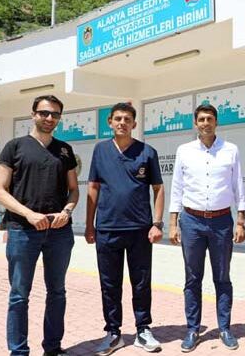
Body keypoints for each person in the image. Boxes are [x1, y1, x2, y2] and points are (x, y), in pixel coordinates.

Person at [0, 95, 79, 356]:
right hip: (23, 231)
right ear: (33, 114)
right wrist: (29, 214)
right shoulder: (15, 147)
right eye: (44, 113)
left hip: (58, 233)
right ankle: (19, 351)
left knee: (57, 292)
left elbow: (74, 191)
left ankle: (52, 348)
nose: (49, 118)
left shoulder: (64, 150)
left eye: (54, 114)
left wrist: (67, 210)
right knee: (19, 295)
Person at [85, 103, 165, 355]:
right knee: (109, 284)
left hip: (140, 230)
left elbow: (158, 188)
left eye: (127, 119)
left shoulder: (147, 152)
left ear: (134, 123)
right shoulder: (100, 151)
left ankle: (143, 329)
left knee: (141, 282)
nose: (122, 122)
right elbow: (93, 187)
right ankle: (113, 333)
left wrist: (157, 223)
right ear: (110, 122)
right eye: (117, 118)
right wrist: (89, 225)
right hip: (107, 229)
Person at [168, 104, 245, 352]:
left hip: (222, 222)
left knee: (222, 277)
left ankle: (224, 328)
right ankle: (193, 329)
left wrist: (241, 220)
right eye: (201, 119)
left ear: (216, 122)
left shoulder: (230, 150)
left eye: (209, 119)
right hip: (191, 222)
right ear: (195, 123)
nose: (205, 123)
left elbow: (238, 187)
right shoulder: (184, 150)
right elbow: (177, 188)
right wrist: (173, 223)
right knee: (192, 278)